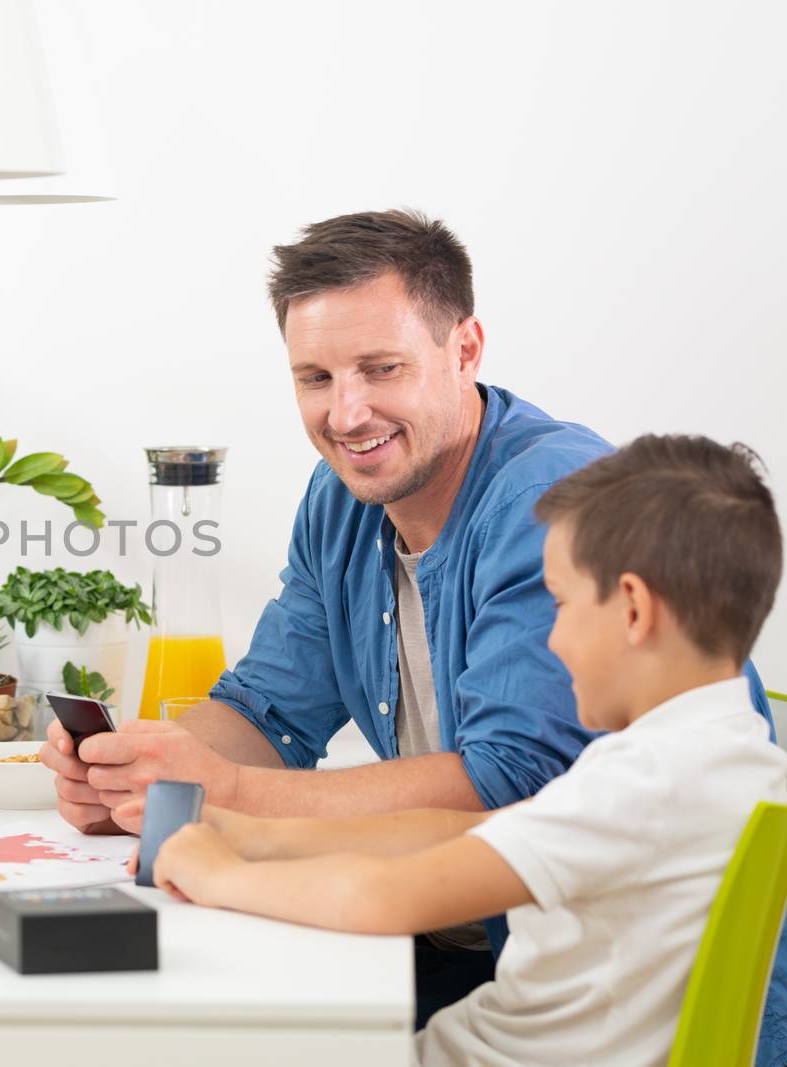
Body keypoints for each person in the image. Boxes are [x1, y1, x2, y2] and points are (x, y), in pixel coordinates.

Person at [41, 209, 776, 1025]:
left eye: (380, 368)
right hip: (470, 967)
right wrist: (145, 777)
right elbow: (266, 709)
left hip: (532, 986)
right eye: (314, 378)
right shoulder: (345, 496)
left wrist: (225, 808)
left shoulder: (562, 510)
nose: (347, 414)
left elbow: (502, 793)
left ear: (464, 350)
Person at [143, 434, 787, 1067]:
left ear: (633, 611)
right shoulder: (728, 757)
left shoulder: (643, 781)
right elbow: (468, 833)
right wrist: (252, 834)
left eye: (559, 605)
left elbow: (383, 899)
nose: (551, 641)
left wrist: (221, 875)